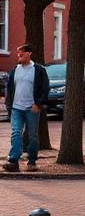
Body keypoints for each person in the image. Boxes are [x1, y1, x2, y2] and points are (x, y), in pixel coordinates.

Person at [3, 44, 49, 173]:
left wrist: (38, 104)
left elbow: (45, 88)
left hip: (31, 108)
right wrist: (8, 103)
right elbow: (9, 88)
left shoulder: (38, 70)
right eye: (18, 53)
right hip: (16, 108)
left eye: (22, 53)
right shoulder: (15, 70)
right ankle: (13, 161)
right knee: (16, 133)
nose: (19, 55)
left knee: (32, 135)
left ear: (29, 53)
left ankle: (32, 161)